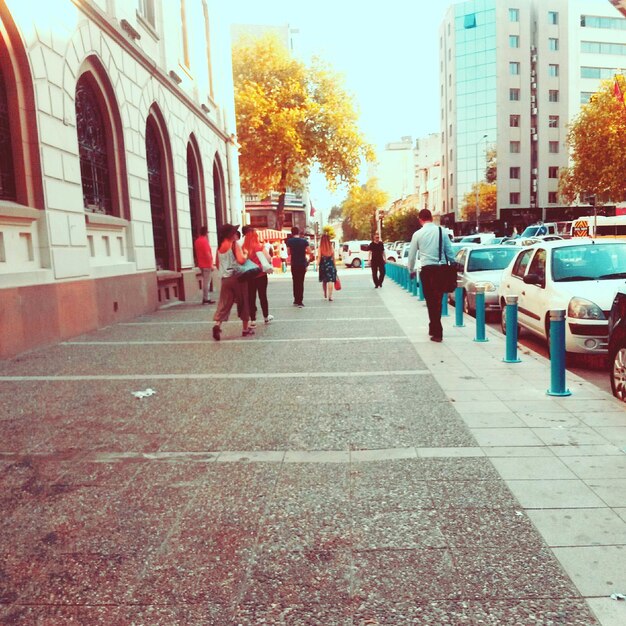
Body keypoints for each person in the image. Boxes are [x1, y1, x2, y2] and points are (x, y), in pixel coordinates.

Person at [407, 208, 455, 343]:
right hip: (440, 269)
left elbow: (411, 255)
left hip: (426, 270)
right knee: (438, 300)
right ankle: (434, 327)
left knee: (430, 301)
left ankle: (436, 330)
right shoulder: (442, 231)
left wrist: (410, 270)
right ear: (432, 218)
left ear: (420, 220)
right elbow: (449, 251)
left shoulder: (417, 234)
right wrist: (453, 263)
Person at [212, 223, 252, 341]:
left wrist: (225, 272)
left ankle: (217, 325)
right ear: (230, 234)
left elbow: (218, 264)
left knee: (224, 303)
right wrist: (246, 254)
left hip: (225, 279)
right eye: (234, 232)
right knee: (244, 301)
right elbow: (240, 260)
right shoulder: (234, 245)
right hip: (238, 278)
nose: (236, 234)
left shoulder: (219, 247)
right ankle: (245, 329)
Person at [242, 228, 274, 327]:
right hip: (260, 275)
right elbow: (268, 258)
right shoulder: (260, 246)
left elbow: (242, 260)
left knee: (251, 297)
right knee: (263, 296)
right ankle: (265, 317)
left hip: (250, 275)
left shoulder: (244, 247)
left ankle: (253, 320)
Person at [285, 227, 311, 308]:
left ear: (292, 233)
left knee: (295, 281)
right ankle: (300, 301)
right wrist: (303, 251)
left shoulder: (289, 241)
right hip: (302, 264)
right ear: (298, 232)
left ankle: (296, 299)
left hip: (294, 263)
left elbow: (288, 252)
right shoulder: (304, 241)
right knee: (301, 282)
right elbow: (309, 251)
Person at [193, 226, 215, 304]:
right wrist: (211, 264)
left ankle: (206, 298)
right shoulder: (204, 241)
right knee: (207, 282)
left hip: (201, 264)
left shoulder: (197, 241)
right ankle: (206, 298)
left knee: (205, 282)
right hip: (206, 264)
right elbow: (207, 253)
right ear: (206, 233)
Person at [317, 234, 337, 301]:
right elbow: (333, 257)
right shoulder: (331, 247)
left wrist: (317, 265)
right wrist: (335, 266)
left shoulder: (320, 247)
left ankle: (325, 294)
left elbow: (319, 257)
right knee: (330, 280)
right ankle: (330, 296)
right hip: (331, 265)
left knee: (324, 280)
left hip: (323, 266)